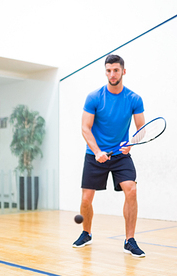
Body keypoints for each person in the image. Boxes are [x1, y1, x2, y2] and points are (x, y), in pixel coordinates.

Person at [73, 54, 146, 258]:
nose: (112, 74)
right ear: (105, 72)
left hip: (120, 155)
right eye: (108, 70)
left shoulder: (134, 99)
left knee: (131, 190)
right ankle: (86, 233)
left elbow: (142, 128)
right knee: (86, 199)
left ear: (123, 71)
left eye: (116, 70)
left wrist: (131, 144)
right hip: (95, 154)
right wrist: (97, 152)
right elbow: (85, 128)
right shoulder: (94, 97)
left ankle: (129, 240)